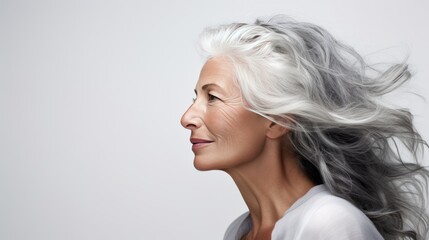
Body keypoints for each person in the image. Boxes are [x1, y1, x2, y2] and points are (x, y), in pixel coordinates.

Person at [180, 15, 429, 240]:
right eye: (195, 99)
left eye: (212, 97)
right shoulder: (238, 232)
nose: (187, 117)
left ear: (278, 120)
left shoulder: (330, 223)